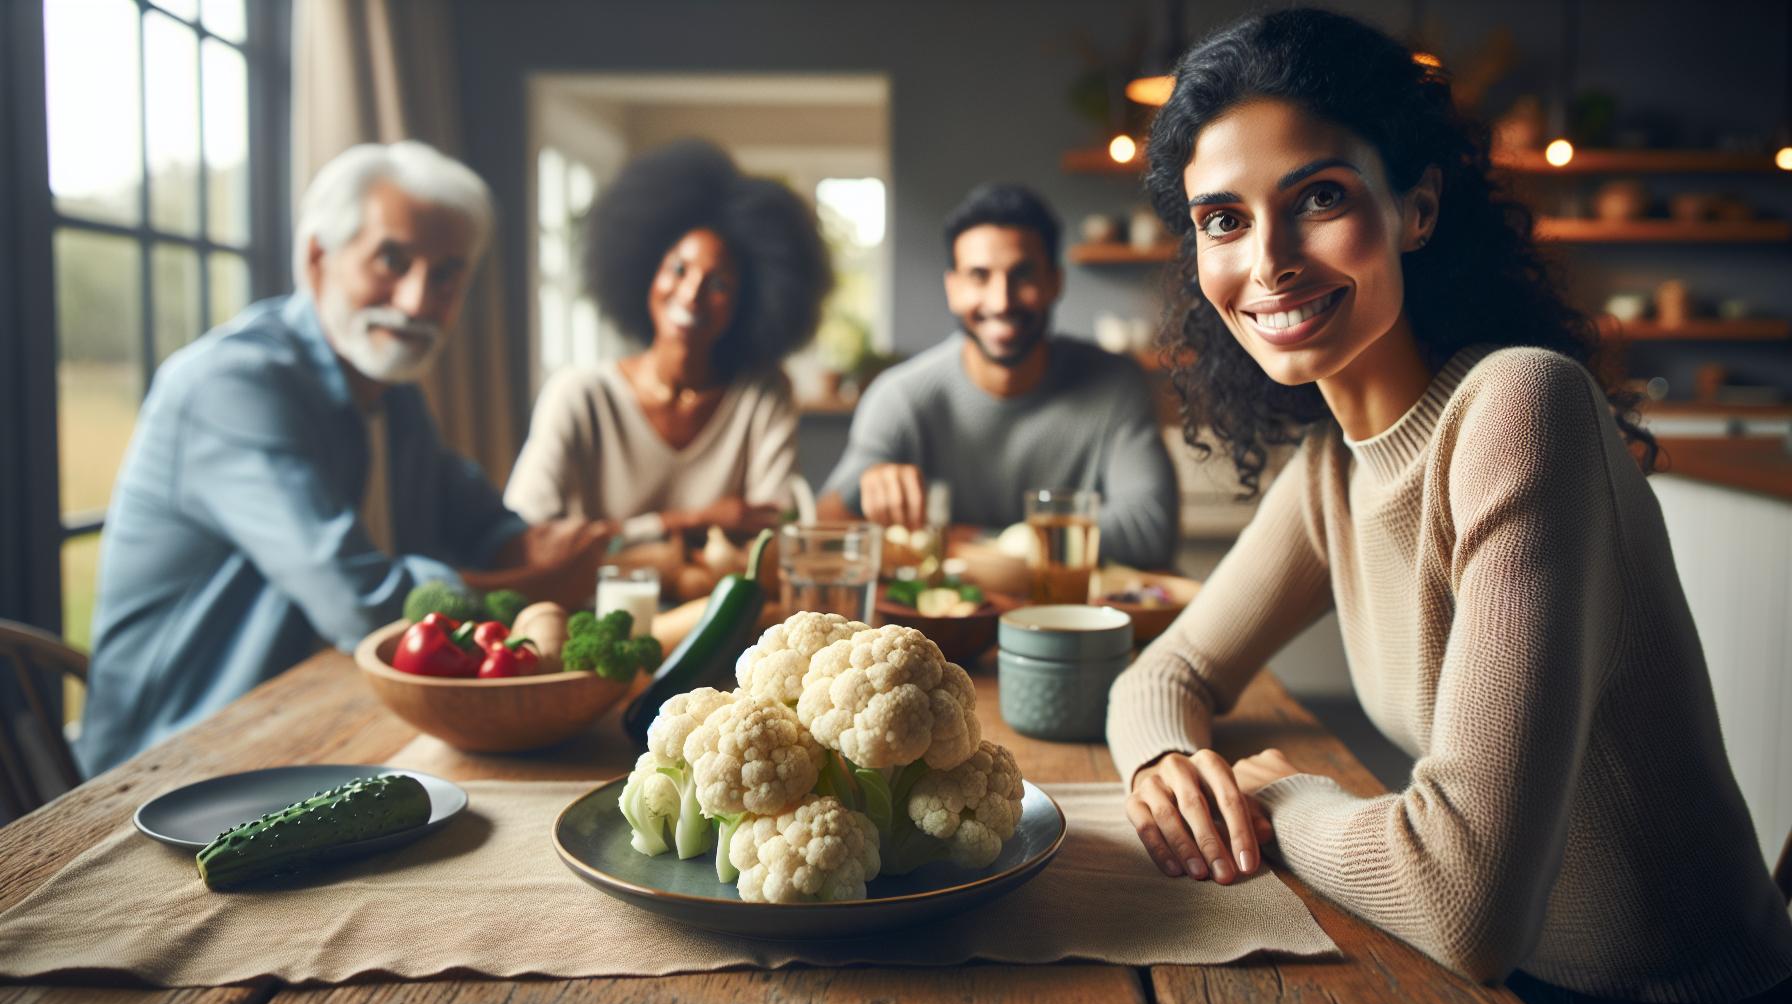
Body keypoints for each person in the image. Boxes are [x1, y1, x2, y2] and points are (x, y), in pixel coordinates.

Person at [1105, 9, 1792, 1004]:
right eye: (1224, 218)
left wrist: (1280, 798)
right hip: (1508, 992)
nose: (1269, 261)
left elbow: (1460, 899)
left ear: (1416, 209)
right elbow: (1165, 670)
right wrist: (1168, 761)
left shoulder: (1522, 404)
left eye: (1320, 197)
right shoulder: (1328, 472)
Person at [77, 141, 608, 776]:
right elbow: (359, 603)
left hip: (322, 722)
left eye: (445, 275)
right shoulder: (231, 384)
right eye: (393, 259)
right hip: (180, 758)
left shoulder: (395, 397)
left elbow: (486, 528)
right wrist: (535, 582)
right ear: (317, 258)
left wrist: (541, 550)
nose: (416, 301)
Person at [818, 184, 1178, 569]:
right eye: (979, 276)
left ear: (1054, 283)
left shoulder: (1116, 383)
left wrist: (985, 542)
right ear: (953, 288)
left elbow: (1150, 529)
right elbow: (826, 525)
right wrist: (870, 485)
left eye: (1022, 275)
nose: (1001, 301)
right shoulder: (901, 396)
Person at [503, 140, 832, 542]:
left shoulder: (761, 394)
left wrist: (612, 540)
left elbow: (773, 533)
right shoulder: (579, 395)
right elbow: (527, 534)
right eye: (678, 269)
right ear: (646, 271)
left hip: (719, 606)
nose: (691, 294)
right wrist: (689, 522)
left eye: (719, 284)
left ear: (747, 302)